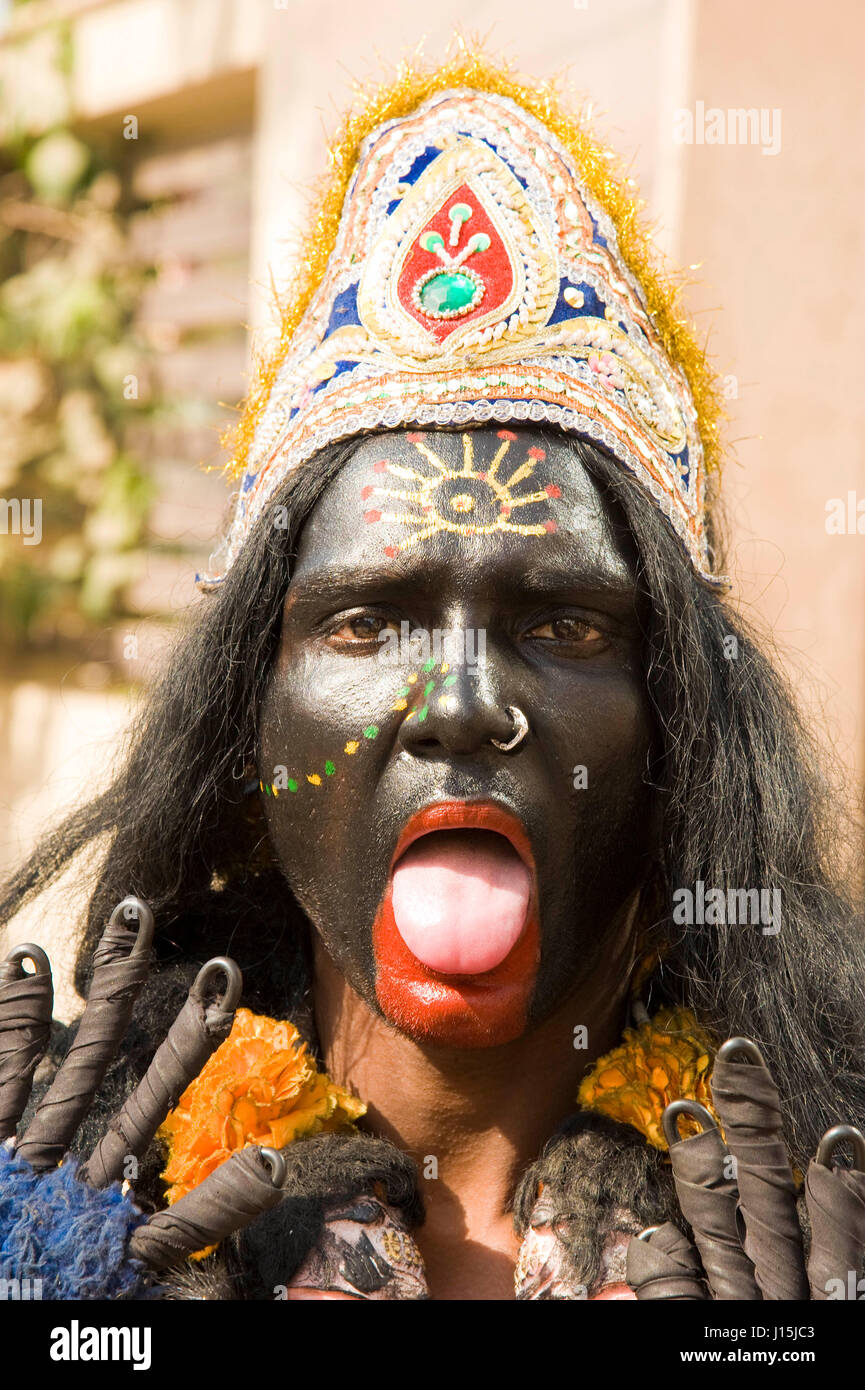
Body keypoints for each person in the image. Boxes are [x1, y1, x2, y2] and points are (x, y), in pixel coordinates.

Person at [2, 54, 865, 1302]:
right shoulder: (73, 1187)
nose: (460, 704)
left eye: (564, 626)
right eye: (365, 622)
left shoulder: (812, 1220)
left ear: (681, 731)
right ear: (247, 728)